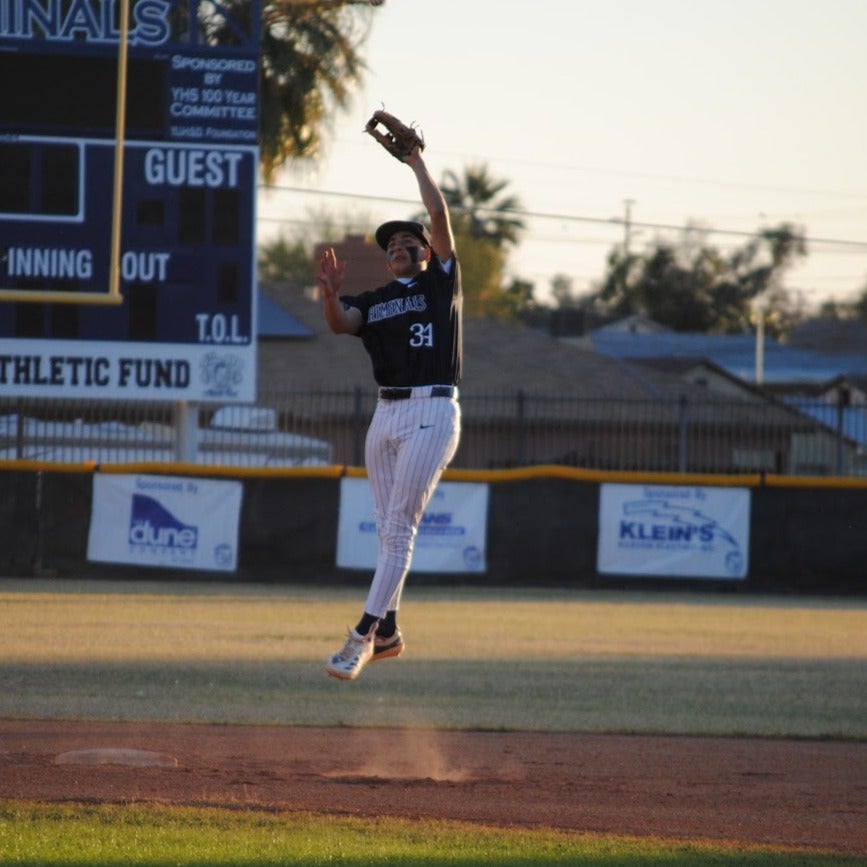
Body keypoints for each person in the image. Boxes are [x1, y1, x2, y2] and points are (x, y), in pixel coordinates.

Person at [317, 141, 462, 681]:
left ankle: (360, 636)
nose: (398, 245)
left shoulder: (439, 283)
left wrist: (416, 163)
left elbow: (439, 216)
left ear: (427, 252)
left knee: (399, 530)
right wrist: (330, 297)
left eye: (408, 241)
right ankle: (392, 631)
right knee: (386, 531)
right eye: (391, 243)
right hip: (386, 415)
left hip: (432, 409)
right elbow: (340, 324)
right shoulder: (376, 301)